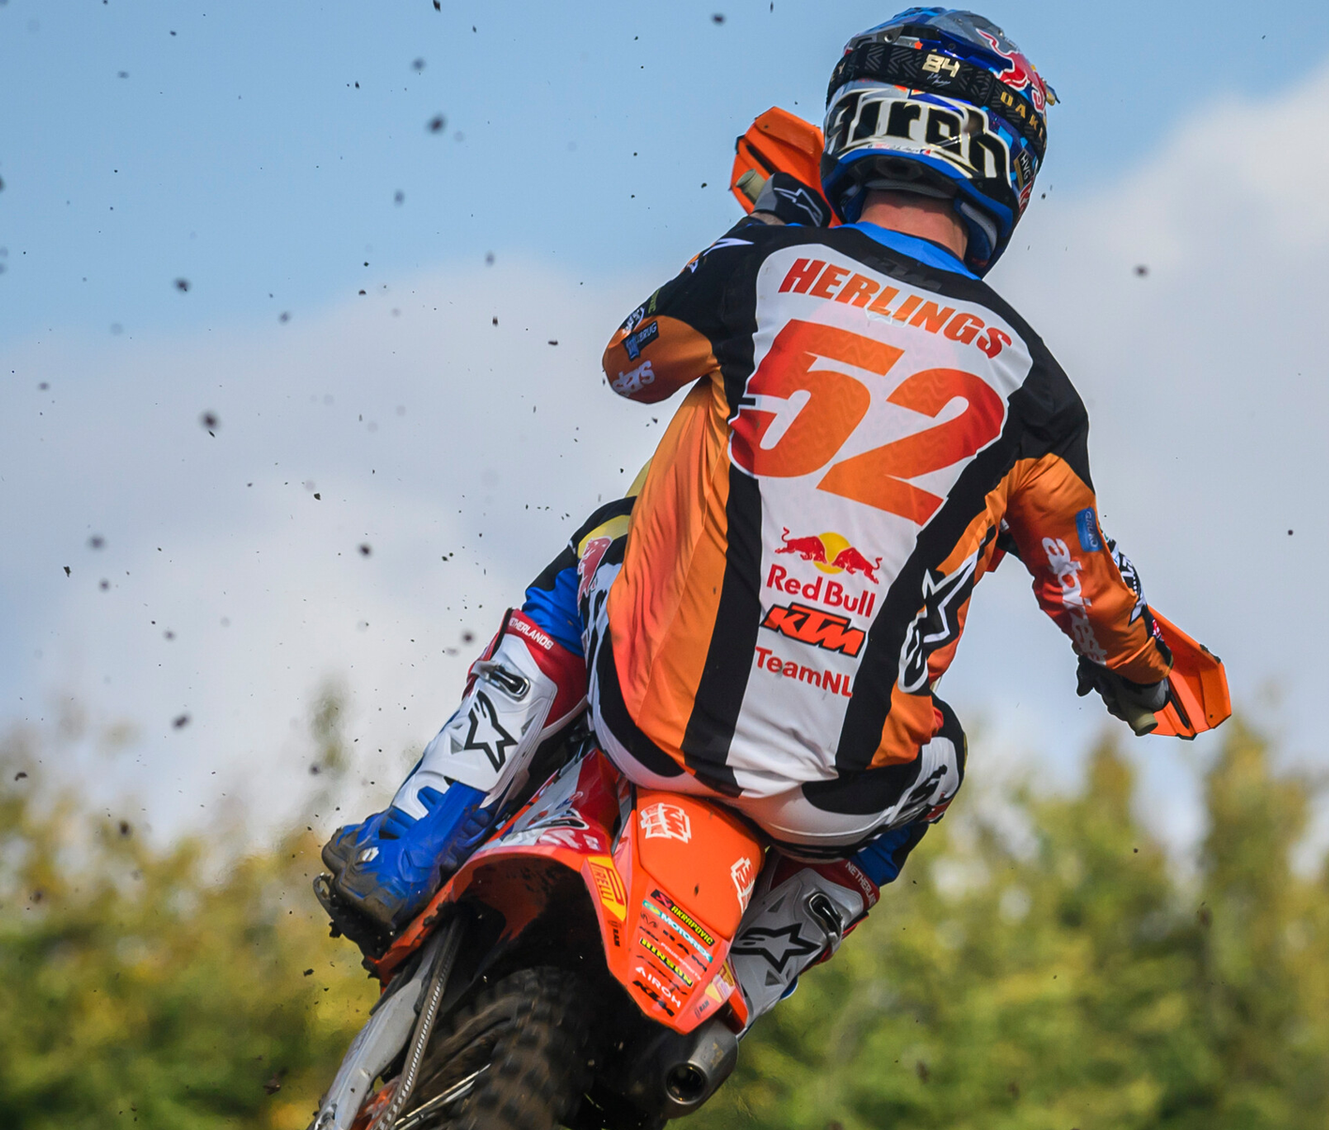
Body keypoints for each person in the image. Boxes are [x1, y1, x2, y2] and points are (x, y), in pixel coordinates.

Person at [322, 7, 1182, 1021]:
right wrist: (1134, 678)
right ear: (1004, 168)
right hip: (833, 791)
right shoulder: (1037, 386)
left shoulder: (763, 269)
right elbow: (1087, 591)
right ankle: (740, 990)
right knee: (940, 759)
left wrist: (761, 227)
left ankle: (412, 844)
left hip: (653, 716)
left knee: (607, 543)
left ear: (857, 123)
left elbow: (629, 365)